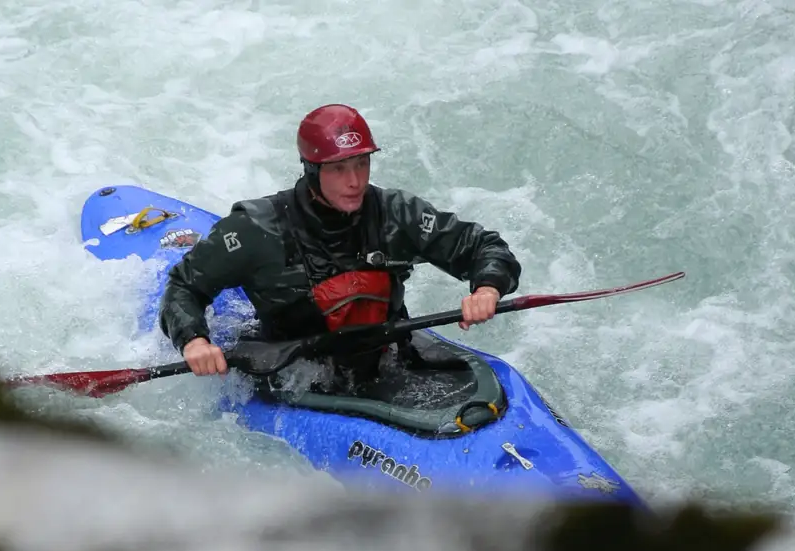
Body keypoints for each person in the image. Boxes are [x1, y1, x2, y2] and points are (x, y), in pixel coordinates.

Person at [158, 103, 522, 390]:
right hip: (295, 370)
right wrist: (194, 341)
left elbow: (484, 246)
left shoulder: (396, 213)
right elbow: (183, 287)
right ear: (312, 171)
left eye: (362, 164)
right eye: (339, 169)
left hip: (385, 356)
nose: (355, 181)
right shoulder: (256, 228)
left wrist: (487, 287)